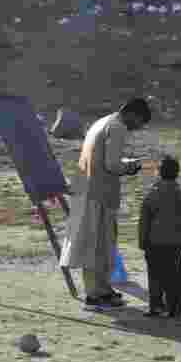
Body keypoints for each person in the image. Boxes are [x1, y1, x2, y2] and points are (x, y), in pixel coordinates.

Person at [61, 97, 150, 308]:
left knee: (95, 244)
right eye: (140, 123)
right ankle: (96, 293)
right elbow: (112, 165)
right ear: (133, 115)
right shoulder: (118, 127)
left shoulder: (102, 122)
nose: (137, 128)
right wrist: (130, 167)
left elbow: (103, 159)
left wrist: (124, 162)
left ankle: (101, 289)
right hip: (98, 193)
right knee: (99, 245)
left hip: (86, 189)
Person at [137, 156, 181, 321]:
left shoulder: (152, 194)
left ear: (159, 173)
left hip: (154, 243)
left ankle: (155, 307)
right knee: (174, 278)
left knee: (155, 276)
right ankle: (174, 309)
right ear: (177, 173)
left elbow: (144, 221)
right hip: (175, 244)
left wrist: (142, 242)